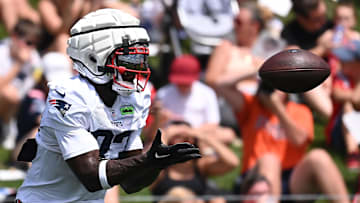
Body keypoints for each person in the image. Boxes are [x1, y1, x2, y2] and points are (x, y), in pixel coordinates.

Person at [15, 8, 201, 203]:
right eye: (130, 59)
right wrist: (146, 160)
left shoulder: (136, 98)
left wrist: (157, 164)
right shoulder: (71, 95)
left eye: (141, 59)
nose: (137, 68)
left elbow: (131, 183)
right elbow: (91, 177)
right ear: (94, 58)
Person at [205, 60, 350, 203]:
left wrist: (277, 109)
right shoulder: (251, 107)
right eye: (271, 84)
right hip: (255, 178)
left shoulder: (300, 110)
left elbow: (299, 140)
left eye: (279, 85)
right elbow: (219, 84)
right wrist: (259, 70)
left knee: (319, 157)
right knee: (270, 159)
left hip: (292, 178)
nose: (275, 89)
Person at [150, 121, 239, 203]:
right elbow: (150, 161)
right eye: (177, 138)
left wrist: (203, 137)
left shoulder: (200, 166)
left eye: (187, 139)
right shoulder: (161, 170)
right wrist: (165, 136)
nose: (182, 142)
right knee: (179, 194)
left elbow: (232, 162)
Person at [155, 54, 235, 144]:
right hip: (170, 133)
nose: (183, 87)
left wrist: (188, 131)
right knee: (157, 138)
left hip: (198, 133)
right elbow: (154, 128)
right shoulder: (163, 93)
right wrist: (161, 118)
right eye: (180, 83)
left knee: (228, 134)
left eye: (186, 84)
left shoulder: (207, 93)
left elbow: (213, 124)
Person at [281, 0, 333, 120]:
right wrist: (321, 49)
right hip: (314, 79)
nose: (323, 21)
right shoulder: (290, 32)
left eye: (323, 16)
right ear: (301, 18)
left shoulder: (330, 25)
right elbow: (295, 60)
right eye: (317, 19)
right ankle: (337, 119)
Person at [0, 18, 42, 149]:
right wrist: (19, 64)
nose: (31, 48)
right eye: (28, 43)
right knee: (8, 93)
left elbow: (27, 87)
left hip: (17, 102)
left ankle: (8, 124)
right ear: (14, 37)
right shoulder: (2, 51)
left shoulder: (34, 59)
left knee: (11, 94)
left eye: (35, 44)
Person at [326, 40, 360, 170]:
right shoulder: (341, 78)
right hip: (339, 135)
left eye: (345, 60)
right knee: (347, 105)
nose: (340, 61)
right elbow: (338, 95)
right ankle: (353, 153)